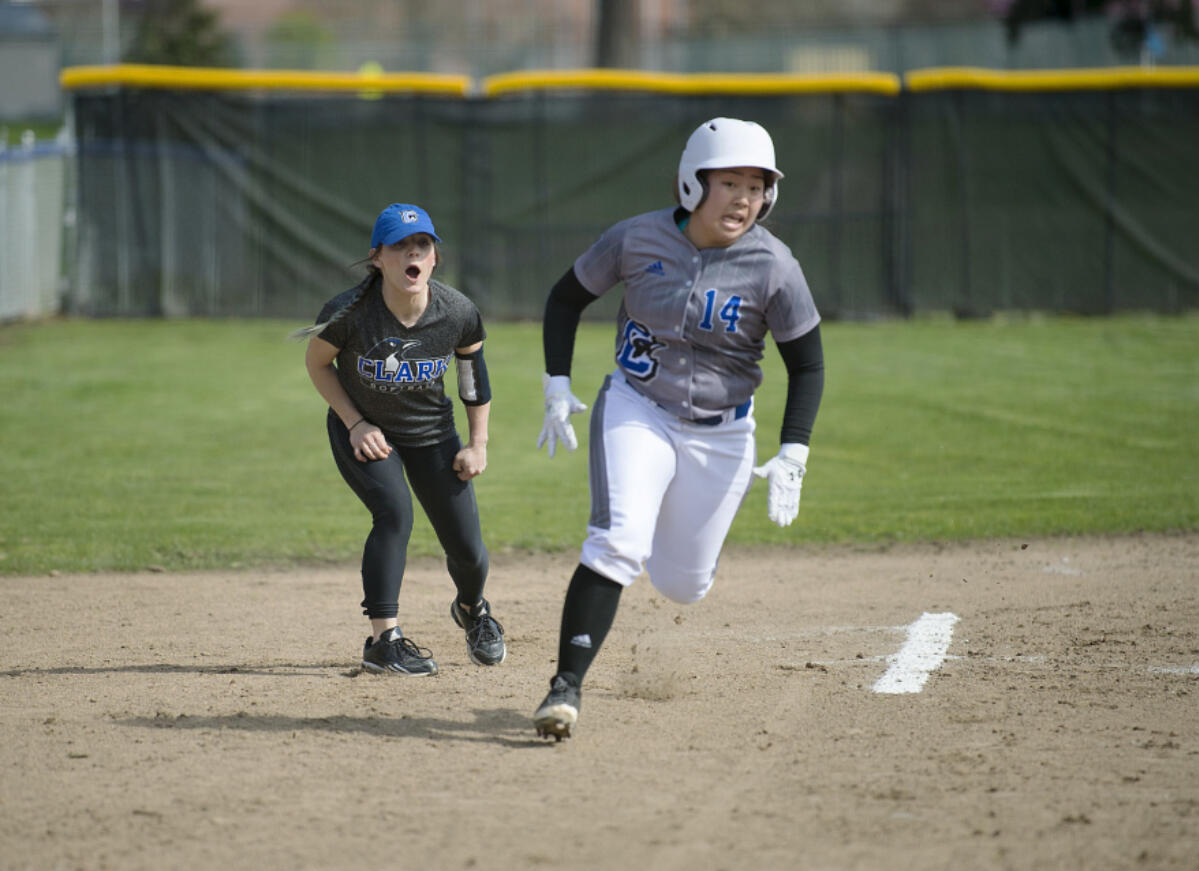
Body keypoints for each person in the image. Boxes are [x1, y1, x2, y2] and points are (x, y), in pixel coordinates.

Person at [531, 118, 825, 739]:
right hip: (638, 408)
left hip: (722, 434)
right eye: (731, 183)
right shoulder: (636, 239)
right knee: (616, 542)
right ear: (693, 184)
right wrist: (557, 382)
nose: (745, 199)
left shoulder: (774, 265)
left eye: (757, 186)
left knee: (684, 585)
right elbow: (565, 298)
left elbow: (809, 364)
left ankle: (674, 553)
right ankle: (565, 689)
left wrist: (793, 450)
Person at [295, 203, 506, 677]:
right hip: (368, 431)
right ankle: (383, 642)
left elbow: (472, 380)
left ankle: (472, 610)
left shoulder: (456, 312)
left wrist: (479, 444)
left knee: (467, 549)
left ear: (434, 258)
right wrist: (354, 422)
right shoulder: (349, 313)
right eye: (400, 246)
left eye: (423, 245)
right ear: (378, 259)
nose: (413, 252)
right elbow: (317, 364)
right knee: (394, 513)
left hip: (432, 433)